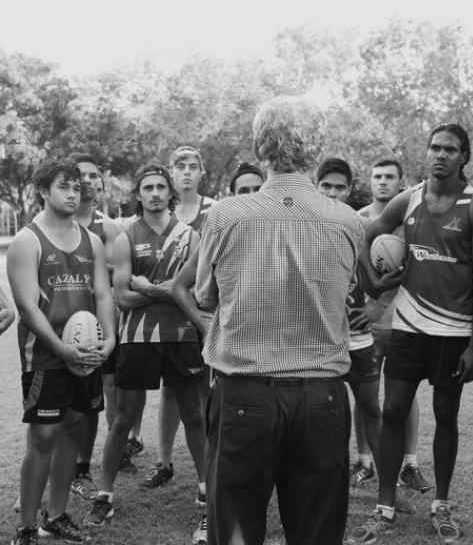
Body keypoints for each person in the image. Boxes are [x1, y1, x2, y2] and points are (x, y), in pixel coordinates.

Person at [195, 96, 364, 545]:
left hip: (245, 393)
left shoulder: (225, 215)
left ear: (259, 145)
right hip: (321, 399)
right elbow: (348, 294)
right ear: (316, 147)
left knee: (234, 528)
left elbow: (204, 296)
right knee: (317, 534)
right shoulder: (347, 220)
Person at [351, 123, 473, 543]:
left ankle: (442, 506)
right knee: (392, 411)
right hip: (408, 328)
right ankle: (384, 508)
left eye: (450, 149)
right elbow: (368, 233)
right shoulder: (409, 198)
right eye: (434, 148)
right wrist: (374, 283)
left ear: (464, 156)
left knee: (446, 416)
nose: (440, 155)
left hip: (453, 333)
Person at [86, 163, 207, 544]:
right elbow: (121, 296)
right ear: (138, 195)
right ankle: (104, 494)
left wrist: (152, 289)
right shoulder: (124, 238)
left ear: (170, 192)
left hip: (183, 335)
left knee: (194, 416)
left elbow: (197, 293)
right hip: (137, 339)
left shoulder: (192, 237)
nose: (154, 193)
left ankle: (206, 493)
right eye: (147, 188)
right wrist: (171, 290)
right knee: (123, 418)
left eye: (160, 187)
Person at [8, 159, 115, 545]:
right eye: (63, 187)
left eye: (76, 188)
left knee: (73, 429)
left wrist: (110, 339)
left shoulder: (93, 241)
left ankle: (55, 516)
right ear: (42, 191)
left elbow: (103, 293)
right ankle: (26, 527)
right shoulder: (27, 240)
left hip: (85, 354)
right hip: (46, 356)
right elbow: (27, 308)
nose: (73, 194)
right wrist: (61, 349)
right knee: (43, 439)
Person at [357, 158, 431, 493]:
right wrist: (369, 307)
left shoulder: (411, 222)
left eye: (389, 177)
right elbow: (355, 273)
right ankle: (364, 461)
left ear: (401, 183)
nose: (382, 182)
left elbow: (415, 274)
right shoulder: (358, 220)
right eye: (377, 176)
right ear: (369, 181)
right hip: (366, 325)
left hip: (403, 322)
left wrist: (380, 305)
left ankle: (410, 464)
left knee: (406, 395)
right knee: (366, 397)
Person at [68, 153, 136, 501]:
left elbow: (112, 280)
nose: (90, 181)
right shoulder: (54, 224)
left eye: (95, 176)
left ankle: (109, 453)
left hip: (101, 323)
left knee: (106, 391)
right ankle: (74, 465)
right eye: (82, 175)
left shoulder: (108, 228)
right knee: (71, 399)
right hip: (65, 323)